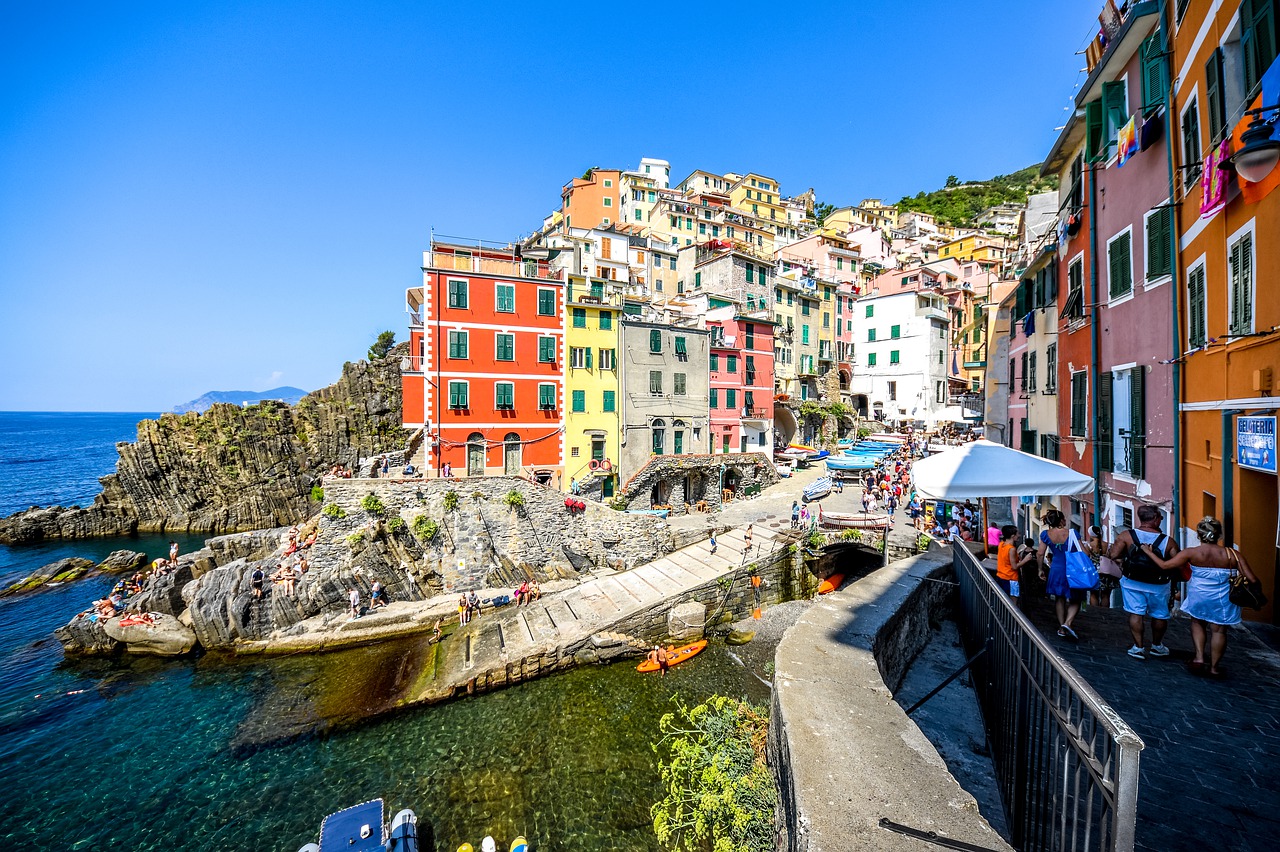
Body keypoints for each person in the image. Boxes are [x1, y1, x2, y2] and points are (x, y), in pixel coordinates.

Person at [1142, 516, 1260, 677]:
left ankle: (1198, 658)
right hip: (1223, 598)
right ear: (1219, 535)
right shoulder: (1233, 555)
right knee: (1219, 631)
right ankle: (1214, 667)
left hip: (1199, 595)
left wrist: (1148, 552)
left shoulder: (1191, 553)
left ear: (1199, 535)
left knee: (1197, 623)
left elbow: (1164, 565)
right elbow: (1252, 579)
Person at [1108, 505, 1179, 660]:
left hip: (1132, 581)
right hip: (1159, 584)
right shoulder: (1169, 541)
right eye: (1160, 517)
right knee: (1160, 615)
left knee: (1136, 613)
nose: (1160, 520)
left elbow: (1113, 555)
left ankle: (1138, 647)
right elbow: (1176, 563)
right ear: (1154, 519)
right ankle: (1157, 646)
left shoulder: (1126, 536)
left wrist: (1124, 560)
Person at [1037, 509, 1085, 641]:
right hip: (1072, 570)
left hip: (1057, 569)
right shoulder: (1072, 533)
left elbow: (1040, 553)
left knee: (1059, 598)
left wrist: (1040, 569)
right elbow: (1084, 553)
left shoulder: (1045, 534)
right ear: (1062, 520)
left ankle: (1062, 628)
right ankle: (1068, 622)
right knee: (1076, 598)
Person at [996, 525, 1033, 600]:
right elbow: (1014, 566)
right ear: (1013, 536)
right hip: (1011, 577)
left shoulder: (1001, 544)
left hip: (1001, 575)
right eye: (1018, 534)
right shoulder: (1011, 549)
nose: (1019, 535)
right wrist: (1025, 559)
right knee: (1013, 602)